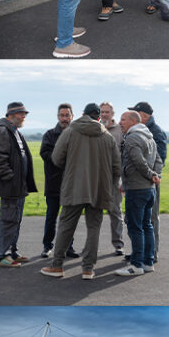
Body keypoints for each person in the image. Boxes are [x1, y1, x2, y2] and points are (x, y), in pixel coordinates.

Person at [40, 103, 119, 280]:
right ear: (99, 117)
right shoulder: (107, 137)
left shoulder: (70, 131)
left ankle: (57, 266)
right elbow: (117, 167)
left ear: (83, 114)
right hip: (99, 189)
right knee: (94, 228)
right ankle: (88, 269)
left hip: (73, 187)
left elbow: (56, 158)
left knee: (66, 226)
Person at [0, 102, 37, 267]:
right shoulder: (3, 131)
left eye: (24, 114)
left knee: (16, 219)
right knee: (9, 220)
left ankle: (12, 252)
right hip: (10, 186)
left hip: (18, 185)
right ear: (10, 114)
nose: (23, 116)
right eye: (20, 114)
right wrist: (10, 178)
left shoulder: (15, 131)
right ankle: (3, 256)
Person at [115, 111, 162, 277]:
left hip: (137, 189)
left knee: (135, 228)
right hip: (149, 190)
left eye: (123, 120)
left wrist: (150, 175)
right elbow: (158, 161)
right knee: (146, 225)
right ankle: (148, 262)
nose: (120, 123)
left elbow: (137, 160)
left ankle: (136, 265)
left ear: (133, 121)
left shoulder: (132, 137)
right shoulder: (149, 137)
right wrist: (155, 176)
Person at [38, 103, 79, 260]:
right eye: (62, 115)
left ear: (72, 116)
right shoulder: (49, 135)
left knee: (69, 218)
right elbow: (45, 154)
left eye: (67, 115)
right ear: (57, 117)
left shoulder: (77, 134)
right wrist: (63, 160)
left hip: (71, 185)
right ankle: (47, 246)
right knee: (51, 217)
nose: (64, 118)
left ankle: (69, 246)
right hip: (54, 183)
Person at [129, 101, 167, 261]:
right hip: (138, 182)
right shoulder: (141, 131)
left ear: (145, 116)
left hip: (150, 182)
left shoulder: (156, 132)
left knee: (151, 218)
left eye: (136, 115)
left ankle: (152, 253)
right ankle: (140, 251)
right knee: (138, 219)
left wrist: (152, 176)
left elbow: (160, 159)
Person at [99, 102, 125, 255]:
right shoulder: (96, 128)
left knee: (115, 211)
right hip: (97, 177)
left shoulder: (120, 130)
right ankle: (91, 246)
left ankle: (118, 244)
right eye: (102, 112)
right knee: (94, 212)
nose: (104, 115)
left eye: (107, 112)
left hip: (114, 177)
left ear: (112, 113)